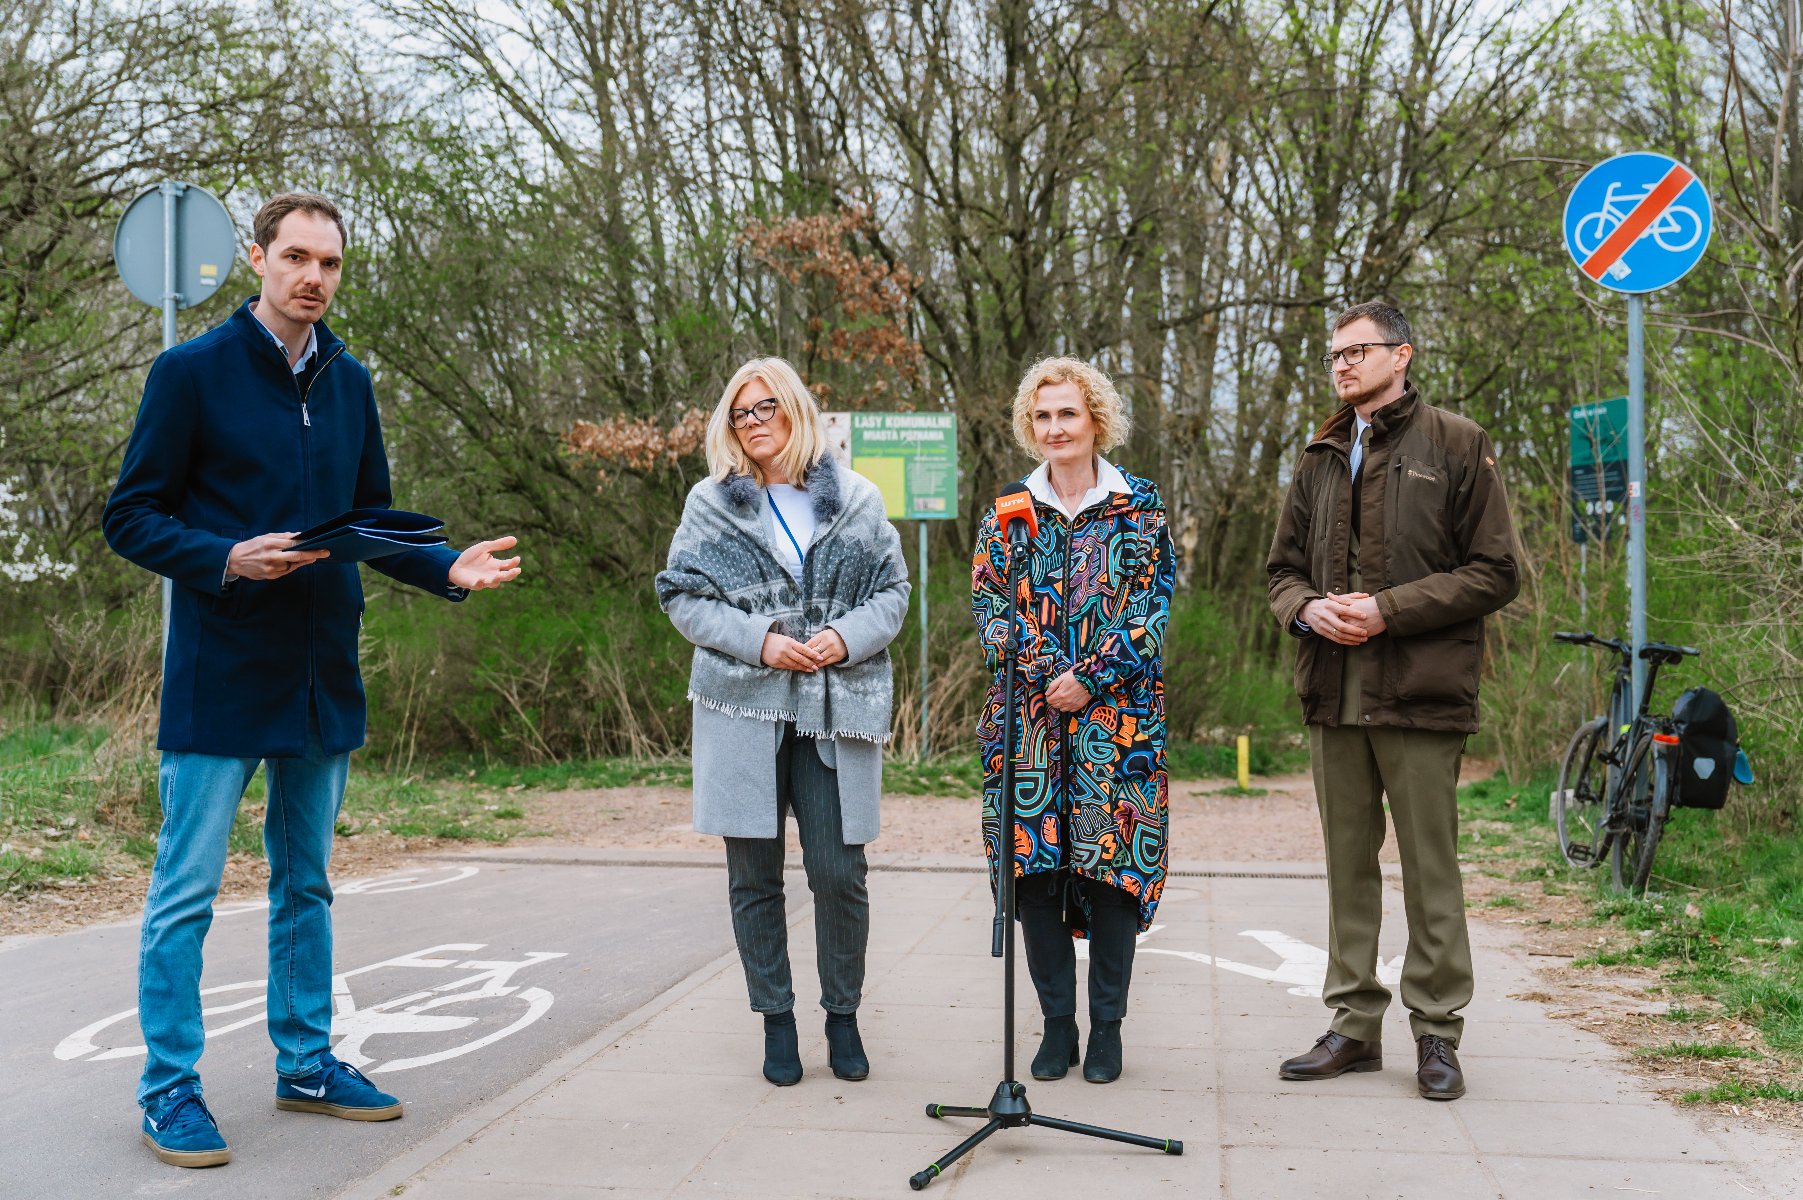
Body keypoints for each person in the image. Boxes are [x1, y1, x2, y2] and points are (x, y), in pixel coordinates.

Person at [102, 192, 523, 1168]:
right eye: (294, 257)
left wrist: (445, 565)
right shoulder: (189, 374)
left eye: (328, 263)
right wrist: (225, 557)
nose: (312, 278)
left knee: (308, 884)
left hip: (321, 674)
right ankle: (168, 1089)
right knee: (186, 892)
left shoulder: (352, 383)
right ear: (257, 257)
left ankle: (306, 1065)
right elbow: (131, 516)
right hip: (221, 674)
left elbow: (370, 518)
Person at [1266, 300, 1520, 1101]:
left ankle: (1437, 1034)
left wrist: (1386, 609)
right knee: (1347, 868)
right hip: (1332, 693)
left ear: (1400, 354)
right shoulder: (1317, 454)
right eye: (1332, 354)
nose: (1340, 364)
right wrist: (1306, 610)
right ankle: (1351, 1026)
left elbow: (1494, 572)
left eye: (1356, 351)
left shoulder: (1456, 443)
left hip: (1420, 695)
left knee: (1428, 870)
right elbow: (1280, 573)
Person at [656, 357, 909, 1087]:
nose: (754, 422)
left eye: (766, 407)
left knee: (839, 873)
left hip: (835, 708)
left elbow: (892, 592)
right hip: (743, 706)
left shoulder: (857, 500)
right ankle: (775, 1021)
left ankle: (841, 1017)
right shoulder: (711, 505)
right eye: (740, 413)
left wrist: (846, 637)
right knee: (753, 878)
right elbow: (680, 595)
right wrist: (759, 639)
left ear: (796, 409)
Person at [970, 356, 1175, 1084]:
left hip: (1116, 732)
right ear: (1032, 427)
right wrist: (1044, 673)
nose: (1055, 428)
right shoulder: (1007, 513)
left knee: (1109, 874)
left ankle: (1108, 1028)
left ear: (1096, 420)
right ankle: (1057, 1026)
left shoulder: (1139, 507)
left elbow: (1153, 613)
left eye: (1068, 413)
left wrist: (1087, 680)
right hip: (1025, 731)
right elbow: (990, 607)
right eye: (1042, 416)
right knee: (1036, 876)